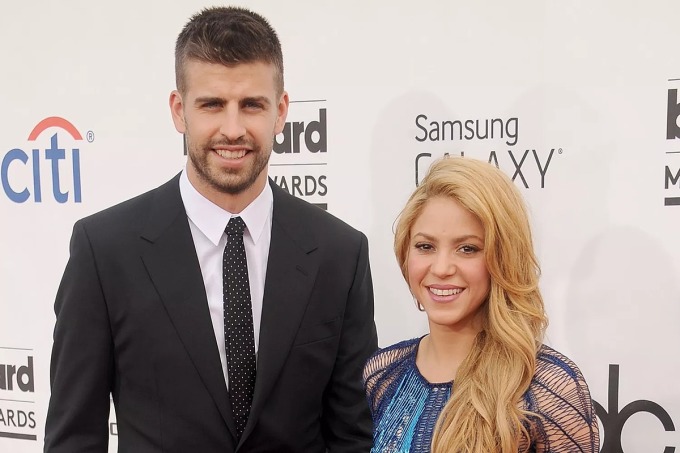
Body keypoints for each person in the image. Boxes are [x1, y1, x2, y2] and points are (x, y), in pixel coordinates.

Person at [44, 6, 377, 452]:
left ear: (280, 112)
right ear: (180, 111)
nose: (233, 129)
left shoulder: (340, 253)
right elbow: (73, 438)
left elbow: (352, 435)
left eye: (252, 105)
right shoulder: (104, 251)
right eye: (213, 104)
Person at [363, 157, 599, 452]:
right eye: (426, 246)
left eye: (467, 248)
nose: (442, 267)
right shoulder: (383, 374)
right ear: (404, 252)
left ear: (502, 258)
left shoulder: (547, 386)